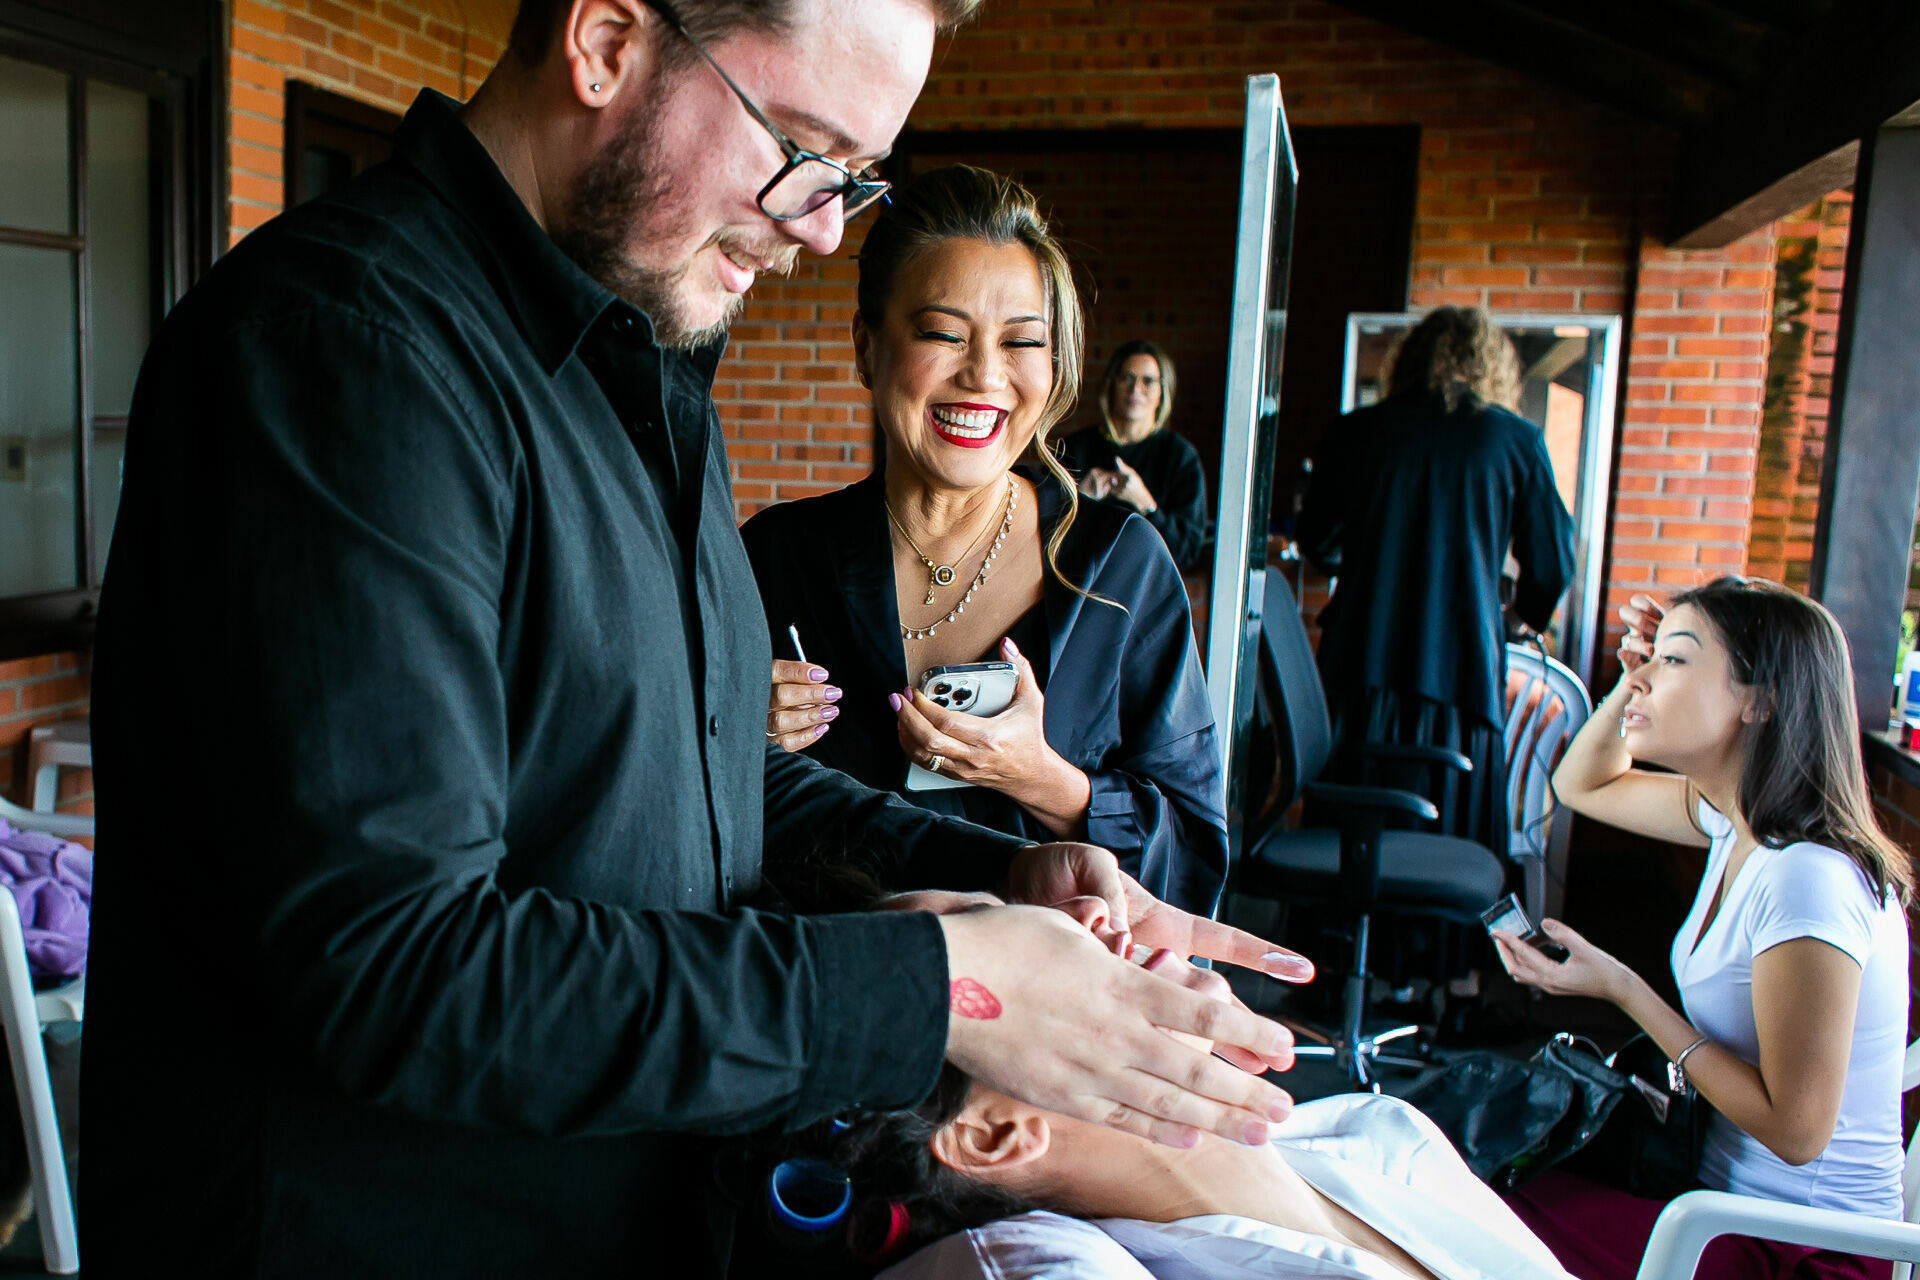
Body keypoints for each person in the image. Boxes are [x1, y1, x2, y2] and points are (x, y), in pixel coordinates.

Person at [81, 3, 1314, 1277]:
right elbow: (403, 964)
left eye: (854, 177)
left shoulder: (638, 360)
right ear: (607, 40)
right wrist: (939, 982)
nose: (828, 226)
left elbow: (714, 770)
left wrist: (1005, 876)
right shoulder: (348, 348)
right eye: (799, 144)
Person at [743, 167, 1226, 917]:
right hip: (816, 1001)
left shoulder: (1119, 570)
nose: (984, 374)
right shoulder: (775, 555)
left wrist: (1043, 780)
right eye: (943, 333)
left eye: (1022, 342)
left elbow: (1193, 859)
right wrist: (729, 737)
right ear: (868, 347)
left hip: (1044, 1017)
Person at [753, 892, 1573, 1280]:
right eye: (1001, 943)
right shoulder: (1055, 1271)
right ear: (991, 1134)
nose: (1087, 917)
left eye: (1024, 907)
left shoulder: (1376, 1131)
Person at [1495, 578, 1910, 1280]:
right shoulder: (1731, 824)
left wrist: (1625, 991)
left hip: (1802, 1255)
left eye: (1676, 660)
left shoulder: (1806, 879)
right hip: (1724, 1210)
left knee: (1485, 1222)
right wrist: (1637, 683)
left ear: (1761, 699)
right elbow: (1581, 785)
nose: (1646, 676)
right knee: (1491, 1178)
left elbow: (1797, 1133)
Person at [1296, 305, 1574, 853]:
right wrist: (1516, 619)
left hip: (1363, 660)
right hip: (1463, 675)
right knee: (1449, 837)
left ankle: (1338, 940)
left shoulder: (1356, 431)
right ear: (1490, 366)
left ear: (1411, 360)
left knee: (1349, 837)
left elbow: (1318, 541)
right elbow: (1553, 564)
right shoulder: (1515, 440)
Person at [1057, 340, 1213, 574]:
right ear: (1111, 385)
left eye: (1148, 381)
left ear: (1162, 393)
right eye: (1126, 378)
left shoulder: (1180, 457)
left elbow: (1186, 551)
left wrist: (1145, 504)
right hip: (1080, 583)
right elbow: (1043, 532)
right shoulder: (1074, 448)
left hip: (1146, 592)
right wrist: (1081, 498)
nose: (1135, 389)